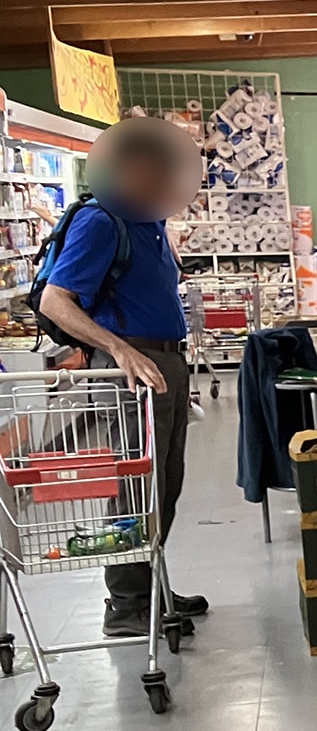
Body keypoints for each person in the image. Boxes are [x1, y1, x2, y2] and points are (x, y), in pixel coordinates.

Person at [36, 117, 208, 638]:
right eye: (150, 170)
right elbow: (55, 301)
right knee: (136, 484)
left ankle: (152, 587)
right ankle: (127, 603)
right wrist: (117, 348)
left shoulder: (146, 221)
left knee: (165, 482)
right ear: (122, 169)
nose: (161, 180)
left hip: (164, 363)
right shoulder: (101, 221)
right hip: (130, 368)